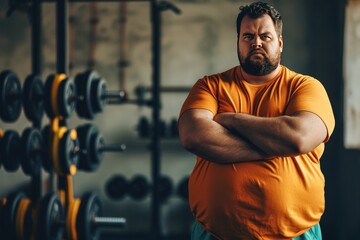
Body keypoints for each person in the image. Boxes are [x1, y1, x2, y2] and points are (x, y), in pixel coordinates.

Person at [178, 1, 335, 240]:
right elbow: (193, 135)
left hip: (296, 234)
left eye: (265, 36)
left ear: (280, 44)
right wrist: (276, 144)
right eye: (248, 36)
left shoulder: (305, 87)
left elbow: (299, 138)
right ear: (238, 43)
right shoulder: (211, 86)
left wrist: (230, 119)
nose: (256, 43)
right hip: (215, 233)